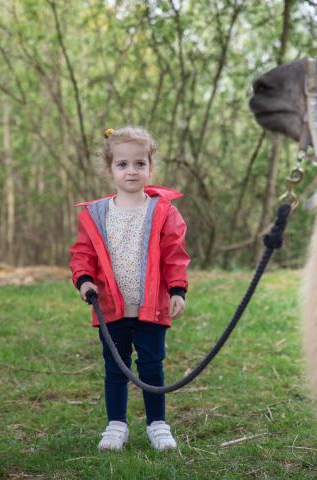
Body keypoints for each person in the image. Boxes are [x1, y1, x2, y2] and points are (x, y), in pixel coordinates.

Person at [69, 126, 190, 452]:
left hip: (151, 305)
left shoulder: (164, 212)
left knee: (152, 366)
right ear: (110, 170)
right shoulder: (95, 214)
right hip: (111, 306)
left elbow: (174, 255)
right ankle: (116, 425)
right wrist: (84, 280)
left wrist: (177, 289)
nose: (132, 171)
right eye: (123, 164)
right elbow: (83, 254)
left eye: (140, 163)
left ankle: (157, 424)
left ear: (151, 167)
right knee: (115, 366)